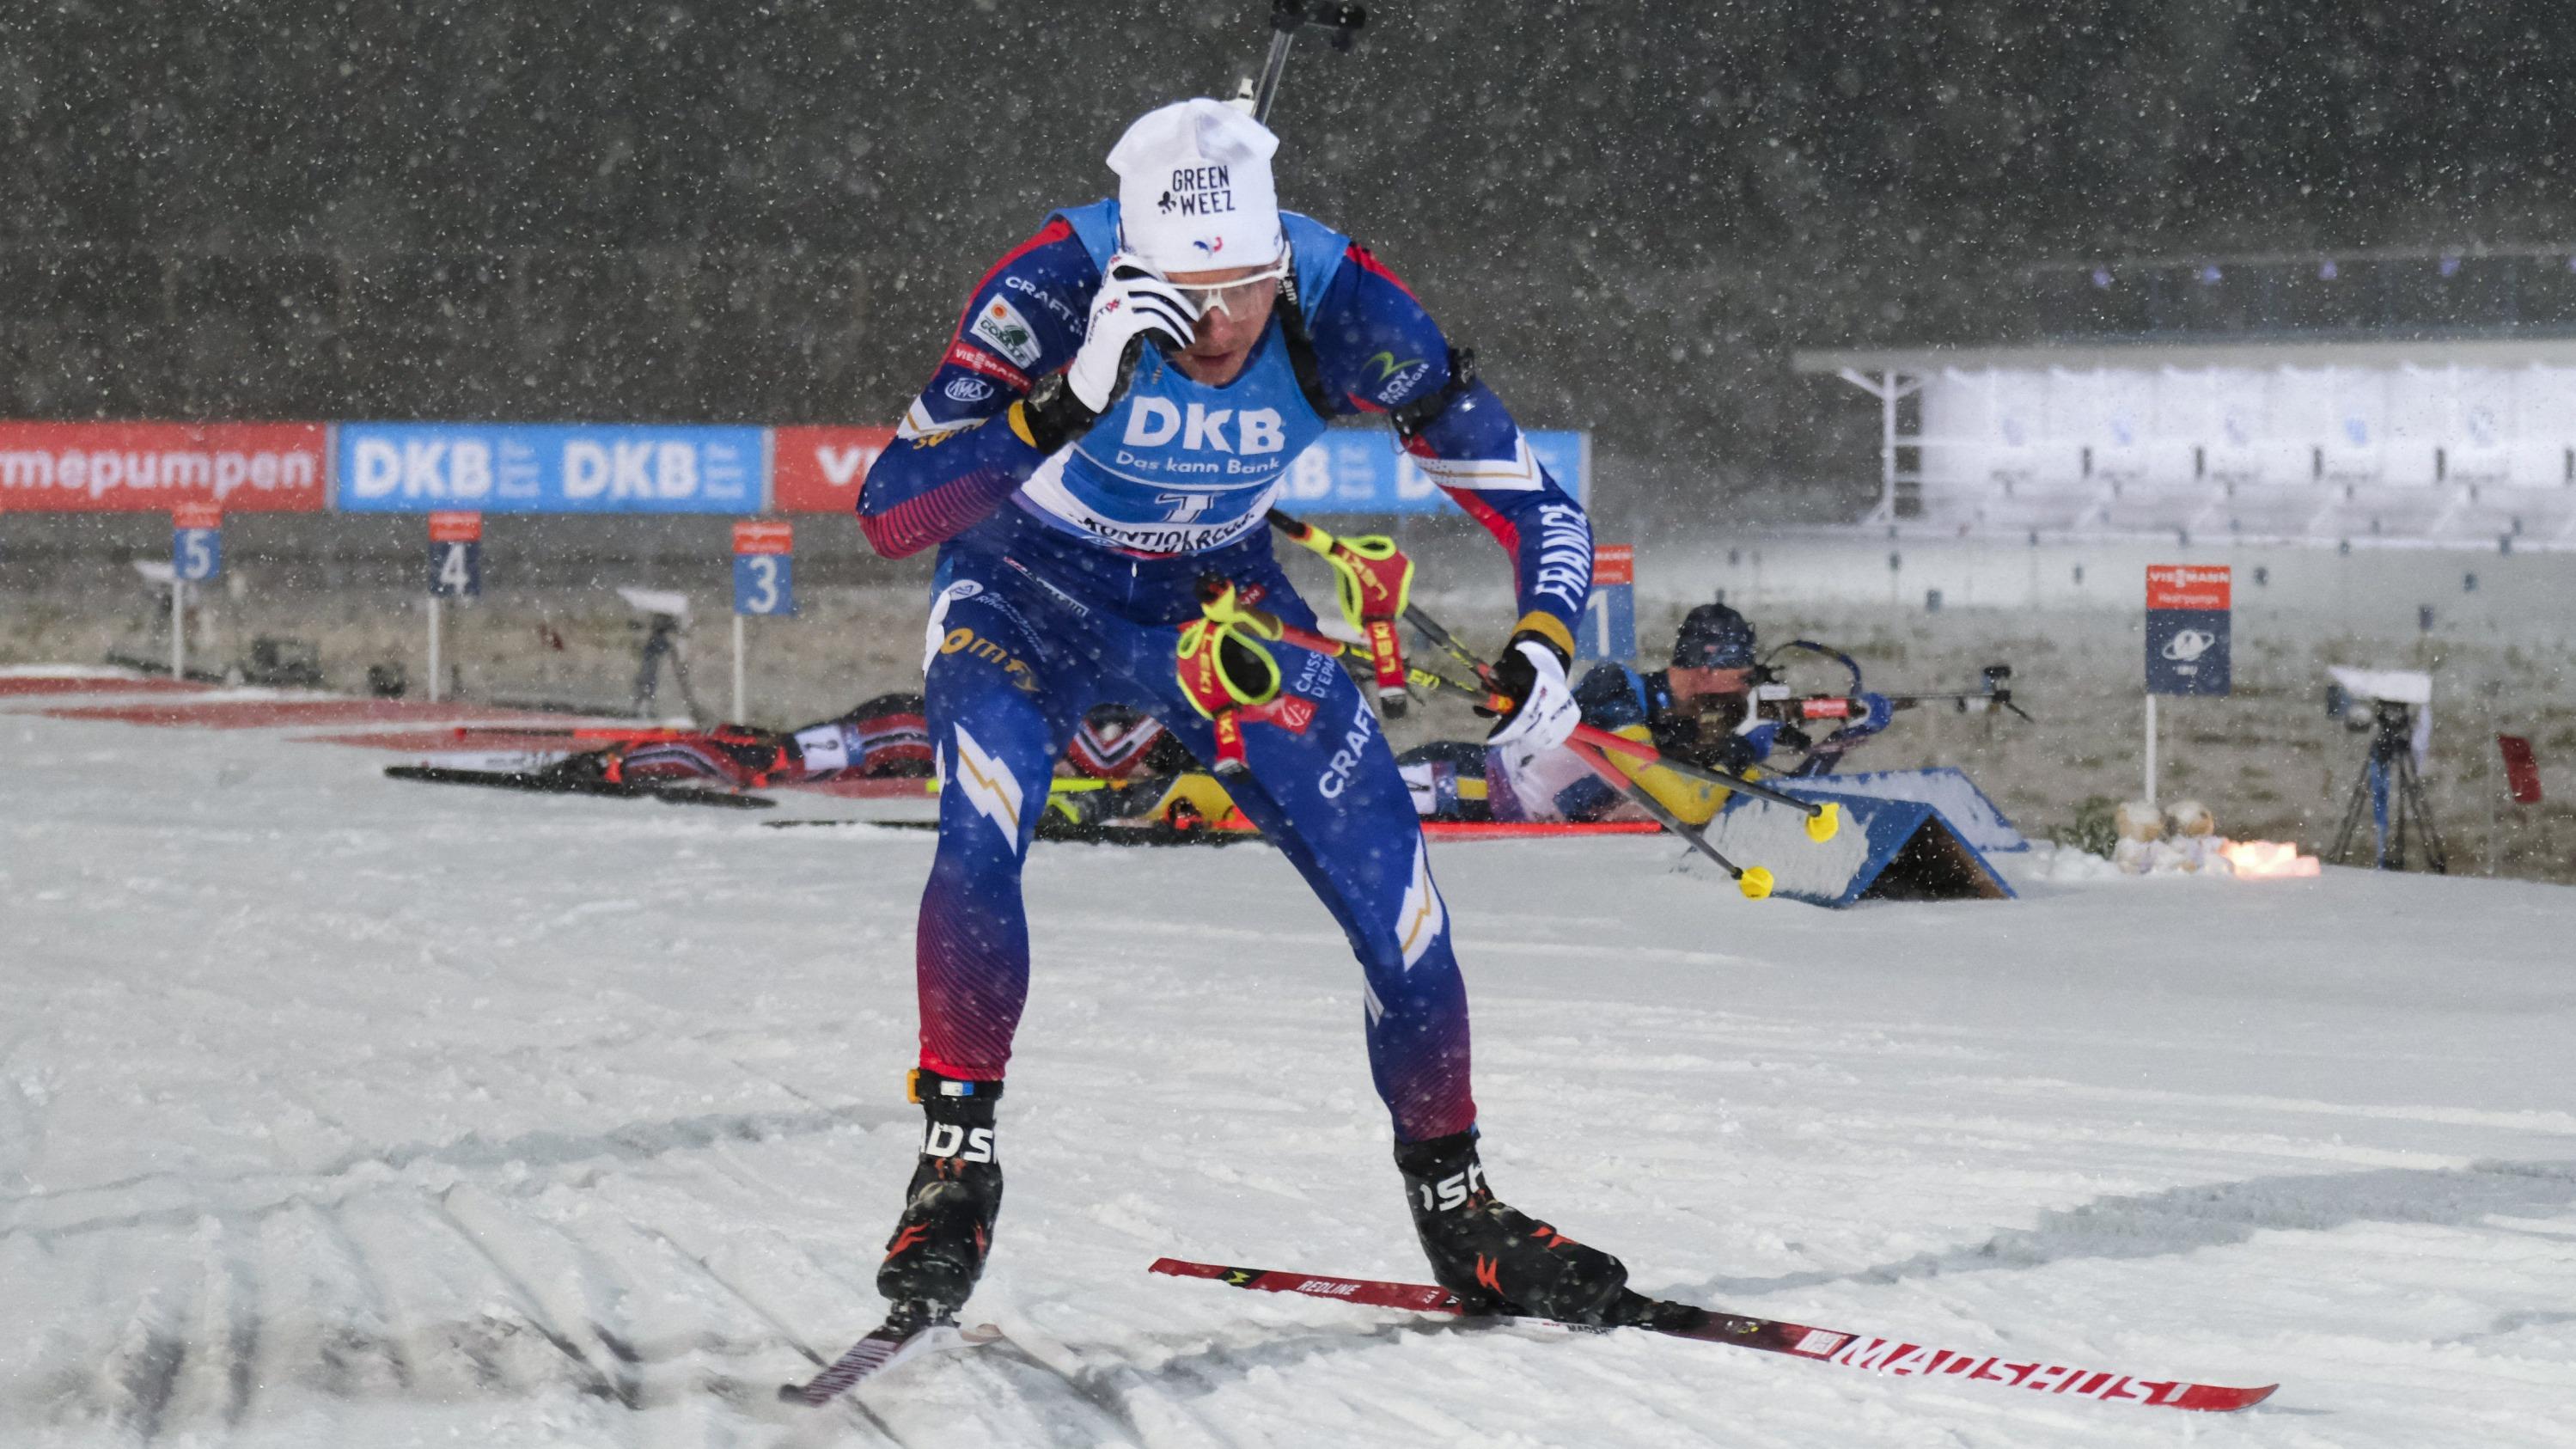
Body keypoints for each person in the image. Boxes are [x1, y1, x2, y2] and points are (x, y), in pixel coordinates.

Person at [853, 98, 1640, 1335]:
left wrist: (1546, 635)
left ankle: (1460, 1205)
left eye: (1246, 292)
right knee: (981, 826)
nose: (1220, 327)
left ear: (1280, 263)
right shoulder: (1051, 284)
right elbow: (892, 512)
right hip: (1024, 590)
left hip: (1215, 601)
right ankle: (955, 1163)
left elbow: (1533, 500)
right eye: (1186, 298)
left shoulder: (1345, 303)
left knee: (1402, 899)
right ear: (1134, 264)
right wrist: (1061, 401)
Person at [1399, 602, 1891, 825]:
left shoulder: (1695, 719)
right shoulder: (1616, 694)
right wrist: (1747, 745)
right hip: (1450, 789)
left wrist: (1835, 744)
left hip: (1499, 822)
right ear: (1704, 671)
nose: (1747, 689)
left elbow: (1767, 805)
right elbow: (1690, 806)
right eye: (1743, 676)